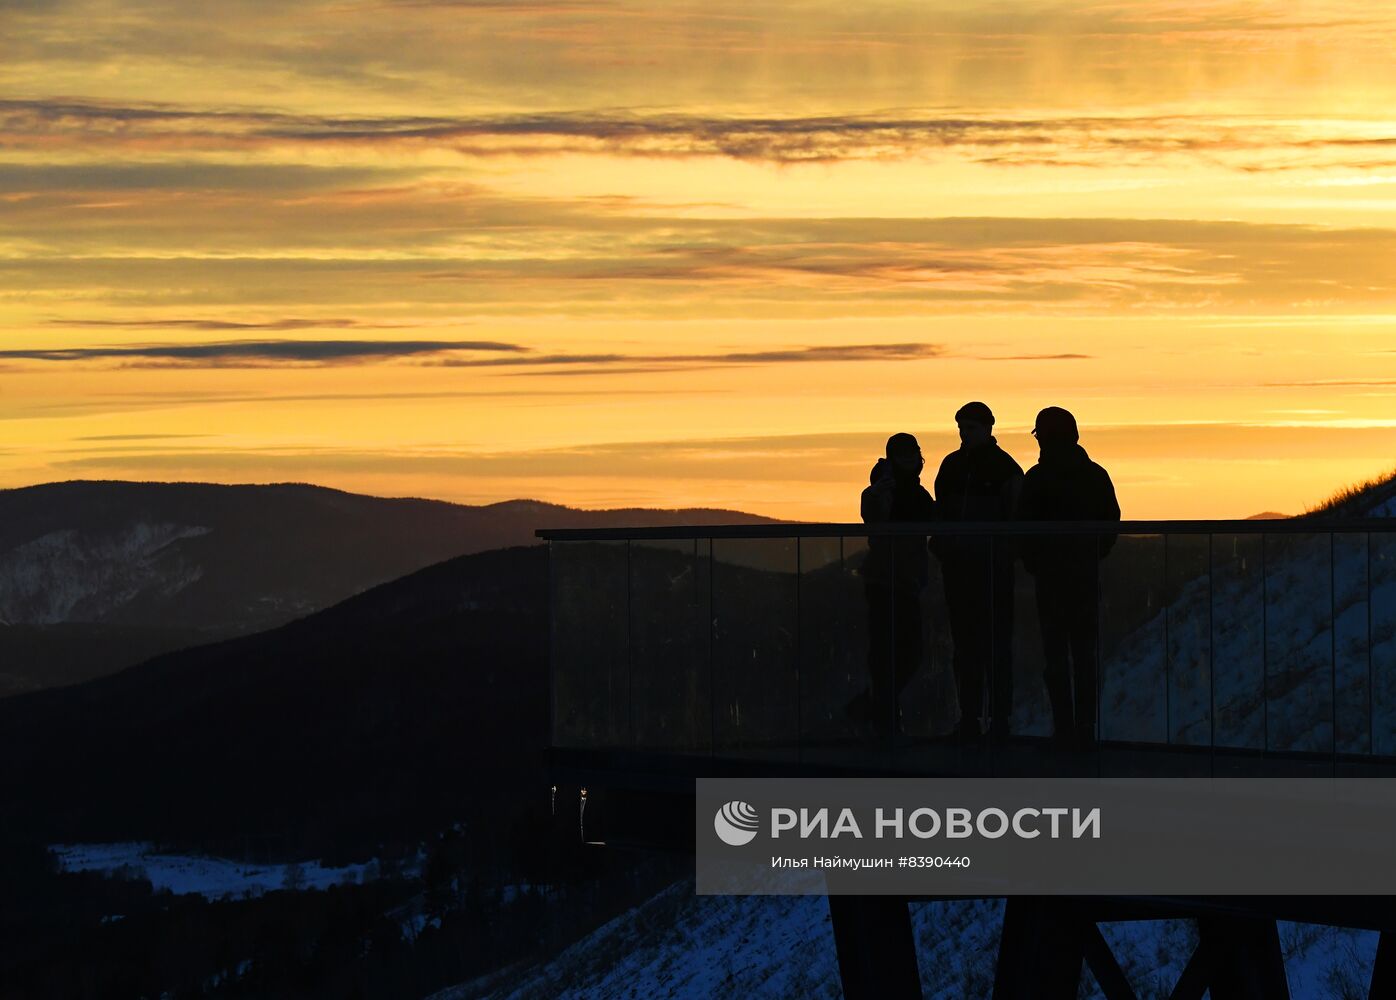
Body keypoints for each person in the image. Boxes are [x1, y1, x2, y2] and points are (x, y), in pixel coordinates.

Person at [1016, 406, 1120, 751]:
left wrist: (1036, 562)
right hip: (1084, 577)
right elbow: (1110, 522)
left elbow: (1022, 528)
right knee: (1085, 655)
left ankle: (1063, 728)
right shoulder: (1095, 475)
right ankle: (1085, 728)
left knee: (1056, 656)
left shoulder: (1036, 479)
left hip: (1051, 581)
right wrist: (1091, 555)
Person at [932, 401, 1023, 743]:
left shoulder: (1003, 469)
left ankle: (998, 720)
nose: (964, 434)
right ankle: (971, 717)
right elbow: (941, 513)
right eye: (962, 428)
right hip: (962, 569)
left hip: (991, 571)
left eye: (970, 428)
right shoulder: (954, 467)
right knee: (968, 647)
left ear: (987, 428)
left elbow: (1016, 520)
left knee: (993, 647)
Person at [855, 433, 936, 737]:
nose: (910, 459)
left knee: (895, 652)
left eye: (912, 453)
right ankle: (884, 714)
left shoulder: (914, 491)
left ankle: (881, 710)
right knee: (898, 651)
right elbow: (875, 519)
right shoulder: (885, 490)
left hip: (901, 579)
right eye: (903, 454)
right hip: (890, 579)